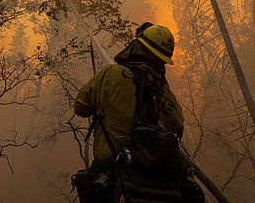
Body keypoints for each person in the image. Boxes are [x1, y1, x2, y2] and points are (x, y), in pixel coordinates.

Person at [73, 22, 184, 202]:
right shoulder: (165, 92)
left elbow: (80, 107)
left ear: (137, 45)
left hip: (112, 180)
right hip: (158, 185)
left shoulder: (111, 74)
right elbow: (177, 129)